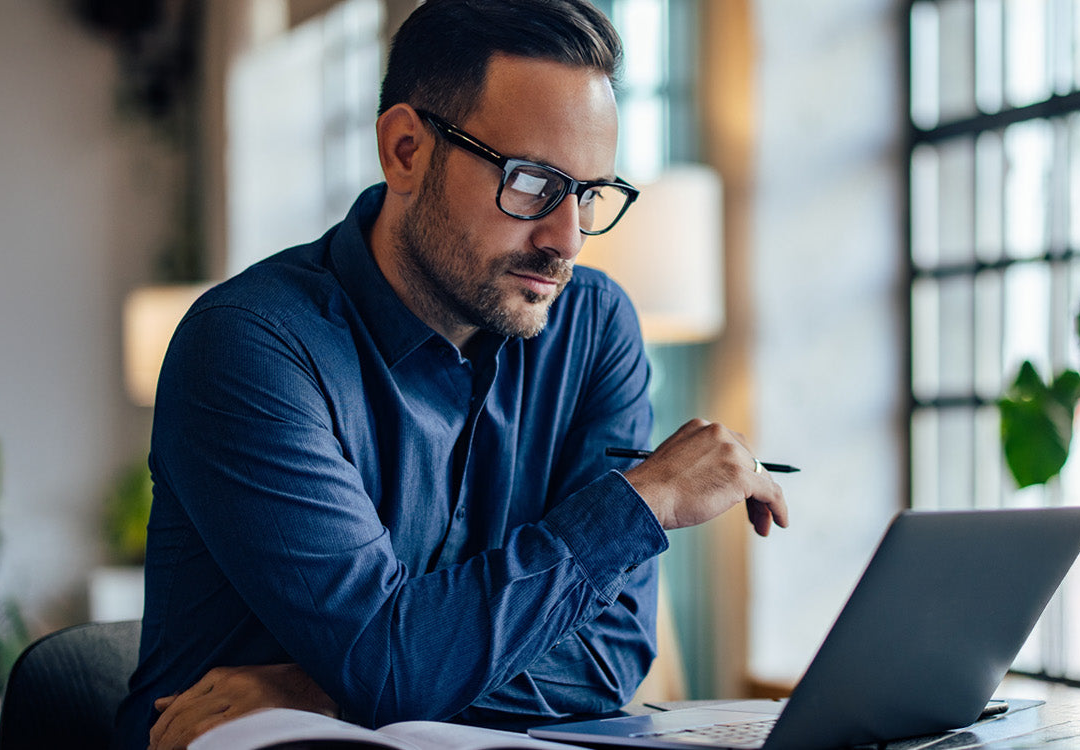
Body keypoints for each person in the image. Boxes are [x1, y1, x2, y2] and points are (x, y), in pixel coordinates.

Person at [112, 1, 789, 748]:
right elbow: (385, 663)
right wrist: (647, 497)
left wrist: (327, 692)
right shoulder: (250, 346)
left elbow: (609, 655)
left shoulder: (594, 328)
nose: (567, 239)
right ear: (405, 149)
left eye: (590, 193)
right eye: (532, 181)